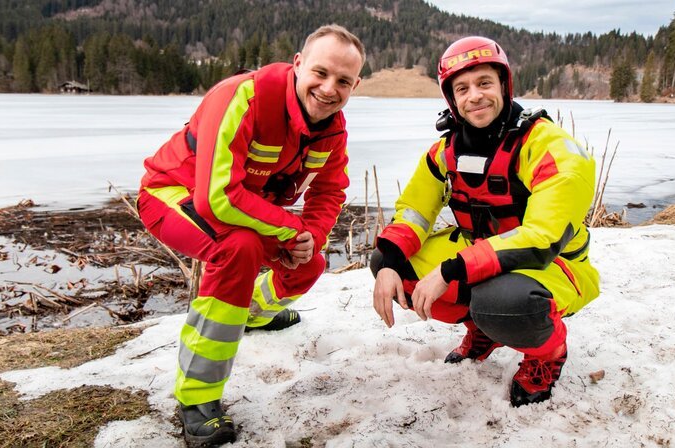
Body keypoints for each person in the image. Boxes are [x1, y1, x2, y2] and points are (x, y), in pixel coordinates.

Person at [137, 25, 364, 446]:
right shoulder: (243, 96)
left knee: (309, 261)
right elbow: (215, 198)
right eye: (321, 72)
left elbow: (329, 190)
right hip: (172, 195)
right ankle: (197, 399)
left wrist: (310, 235)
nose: (329, 88)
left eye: (343, 81)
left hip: (245, 209)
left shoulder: (333, 129)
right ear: (297, 64)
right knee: (236, 250)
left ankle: (255, 313)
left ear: (356, 84)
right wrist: (292, 227)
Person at [371, 36, 600, 407]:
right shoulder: (445, 152)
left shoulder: (550, 147)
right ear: (451, 99)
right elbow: (413, 212)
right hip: (478, 254)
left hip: (551, 266)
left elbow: (541, 239)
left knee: (502, 299)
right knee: (388, 261)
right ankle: (482, 330)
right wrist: (391, 262)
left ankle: (547, 354)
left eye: (484, 83)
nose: (474, 96)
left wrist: (451, 271)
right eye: (462, 88)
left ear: (504, 86)